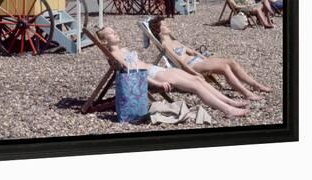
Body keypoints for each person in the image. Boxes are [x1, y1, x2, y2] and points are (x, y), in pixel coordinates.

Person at [97, 27, 249, 118]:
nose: (115, 32)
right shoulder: (115, 56)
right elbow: (134, 73)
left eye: (114, 30)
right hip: (152, 75)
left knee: (199, 80)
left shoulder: (123, 50)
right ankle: (228, 110)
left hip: (156, 70)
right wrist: (157, 84)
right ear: (104, 41)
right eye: (110, 33)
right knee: (195, 86)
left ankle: (231, 102)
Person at [148, 16, 272, 100]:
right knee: (224, 67)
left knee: (231, 62)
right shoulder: (165, 45)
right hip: (192, 65)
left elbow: (193, 51)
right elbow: (180, 63)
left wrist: (205, 59)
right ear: (159, 31)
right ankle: (246, 93)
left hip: (199, 61)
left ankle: (255, 85)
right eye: (164, 25)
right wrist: (195, 74)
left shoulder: (174, 41)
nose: (168, 25)